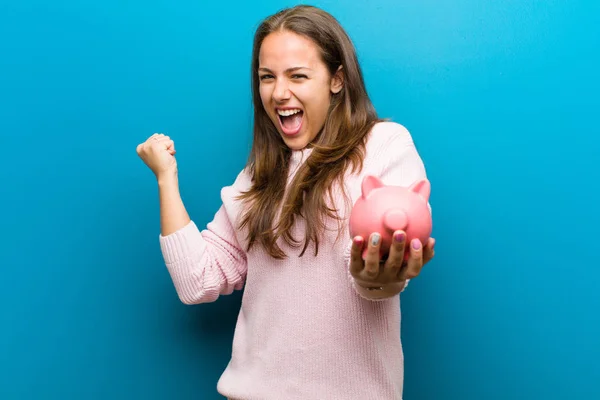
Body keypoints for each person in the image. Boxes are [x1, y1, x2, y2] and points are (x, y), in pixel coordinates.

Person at [137, 5, 435, 399]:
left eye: (297, 75)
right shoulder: (256, 179)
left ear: (337, 79)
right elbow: (197, 280)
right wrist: (166, 179)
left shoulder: (382, 145)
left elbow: (369, 273)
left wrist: (378, 276)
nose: (279, 93)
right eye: (266, 77)